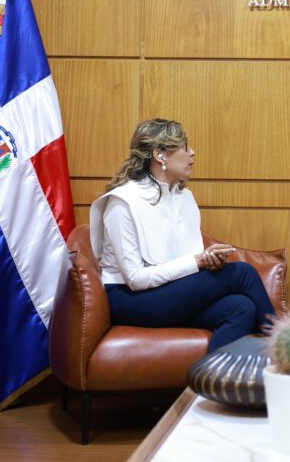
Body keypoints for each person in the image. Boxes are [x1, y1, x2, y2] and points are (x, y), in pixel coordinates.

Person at [89, 118, 275, 352]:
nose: (192, 153)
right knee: (243, 273)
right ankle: (289, 351)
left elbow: (184, 260)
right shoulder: (121, 203)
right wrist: (196, 261)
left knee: (241, 307)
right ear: (160, 155)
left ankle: (210, 386)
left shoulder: (183, 197)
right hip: (130, 299)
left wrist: (206, 261)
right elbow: (135, 279)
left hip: (169, 293)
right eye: (185, 147)